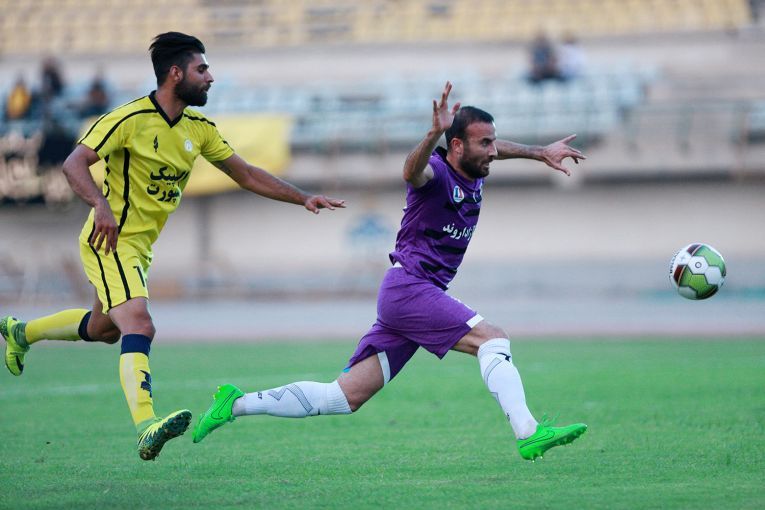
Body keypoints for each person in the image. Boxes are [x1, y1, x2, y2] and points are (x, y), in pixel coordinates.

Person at [193, 82, 588, 461]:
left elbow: (494, 148)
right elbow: (410, 171)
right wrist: (431, 134)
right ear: (456, 146)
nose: (493, 151)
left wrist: (539, 152)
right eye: (485, 144)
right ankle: (528, 432)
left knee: (342, 397)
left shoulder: (473, 165)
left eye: (493, 142)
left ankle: (235, 404)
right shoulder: (436, 173)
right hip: (411, 288)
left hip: (408, 297)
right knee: (492, 339)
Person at [0, 32, 345, 461]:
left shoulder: (199, 129)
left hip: (139, 248)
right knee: (140, 324)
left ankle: (22, 332)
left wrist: (303, 197)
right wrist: (100, 206)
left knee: (105, 328)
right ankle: (146, 425)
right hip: (110, 240)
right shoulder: (128, 118)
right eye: (202, 69)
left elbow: (246, 174)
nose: (210, 77)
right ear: (176, 74)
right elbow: (74, 163)